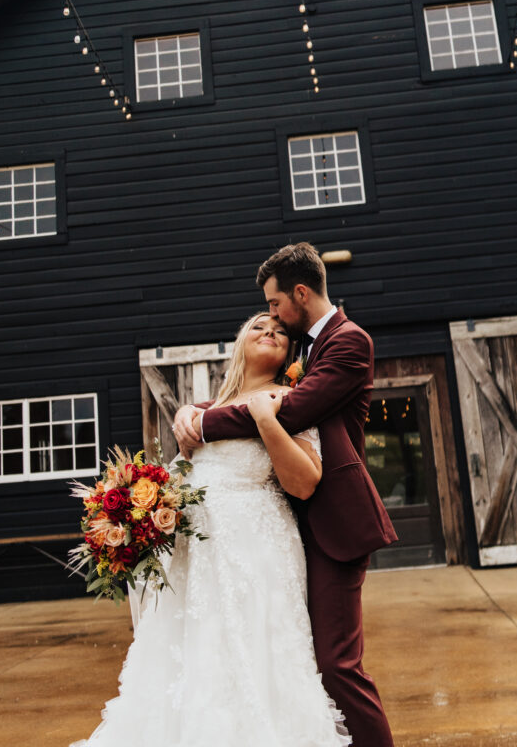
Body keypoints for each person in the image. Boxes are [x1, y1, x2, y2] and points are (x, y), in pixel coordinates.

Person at [70, 311, 351, 747]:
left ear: (288, 353)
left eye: (278, 330)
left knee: (253, 654)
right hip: (195, 554)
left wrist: (266, 420)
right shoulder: (203, 410)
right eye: (258, 327)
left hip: (256, 546)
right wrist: (142, 510)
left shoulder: (291, 400)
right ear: (240, 343)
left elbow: (305, 481)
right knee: (192, 656)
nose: (269, 331)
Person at [175, 242, 396, 747]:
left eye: (275, 305)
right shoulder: (306, 348)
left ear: (299, 293)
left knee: (337, 666)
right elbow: (256, 392)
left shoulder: (348, 341)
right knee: (290, 659)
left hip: (335, 521)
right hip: (285, 529)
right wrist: (194, 409)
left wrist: (203, 422)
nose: (272, 316)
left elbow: (290, 412)